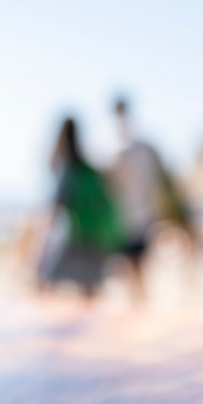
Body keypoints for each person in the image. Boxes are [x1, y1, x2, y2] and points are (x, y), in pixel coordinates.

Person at [110, 96, 189, 300]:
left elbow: (161, 183)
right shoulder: (137, 150)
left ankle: (139, 306)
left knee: (134, 270)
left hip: (134, 218)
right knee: (134, 271)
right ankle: (139, 304)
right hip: (135, 218)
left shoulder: (128, 150)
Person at [38, 117, 121, 301]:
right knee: (90, 292)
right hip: (99, 239)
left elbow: (54, 212)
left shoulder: (67, 170)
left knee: (45, 282)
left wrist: (40, 251)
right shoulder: (89, 169)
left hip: (77, 239)